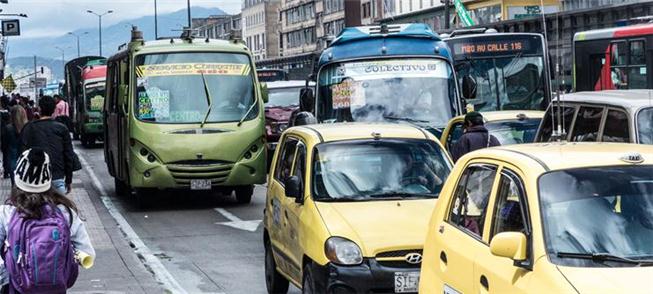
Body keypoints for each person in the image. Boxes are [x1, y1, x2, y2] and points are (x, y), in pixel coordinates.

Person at [0, 149, 95, 293]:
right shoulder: (65, 212)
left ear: (18, 177)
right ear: (48, 178)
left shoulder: (6, 213)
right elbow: (88, 253)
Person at [20, 96, 75, 195]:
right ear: (54, 110)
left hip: (35, 181)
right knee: (62, 209)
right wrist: (69, 180)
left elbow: (22, 155)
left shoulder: (29, 128)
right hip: (57, 177)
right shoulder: (62, 129)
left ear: (39, 109)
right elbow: (68, 156)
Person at [2, 106, 28, 185]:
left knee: (15, 185)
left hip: (12, 158)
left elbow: (4, 146)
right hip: (26, 158)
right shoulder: (28, 127)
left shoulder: (8, 128)